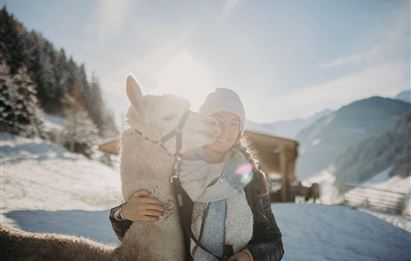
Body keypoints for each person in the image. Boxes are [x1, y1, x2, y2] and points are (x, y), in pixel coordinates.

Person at [109, 88, 284, 261]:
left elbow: (273, 241)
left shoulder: (251, 179)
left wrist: (250, 255)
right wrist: (122, 214)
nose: (224, 130)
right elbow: (149, 234)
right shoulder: (177, 177)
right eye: (217, 121)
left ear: (240, 131)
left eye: (234, 124)